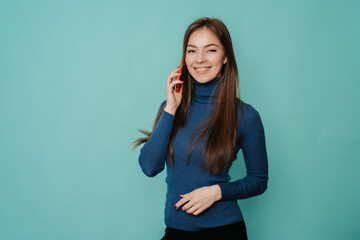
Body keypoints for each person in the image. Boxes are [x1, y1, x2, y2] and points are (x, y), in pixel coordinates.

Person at [132, 17, 268, 240]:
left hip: (225, 231)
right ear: (184, 58)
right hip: (177, 230)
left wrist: (216, 192)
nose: (200, 59)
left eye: (211, 50)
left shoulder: (245, 115)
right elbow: (149, 167)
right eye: (192, 51)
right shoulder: (170, 107)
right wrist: (171, 108)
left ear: (225, 57)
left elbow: (259, 180)